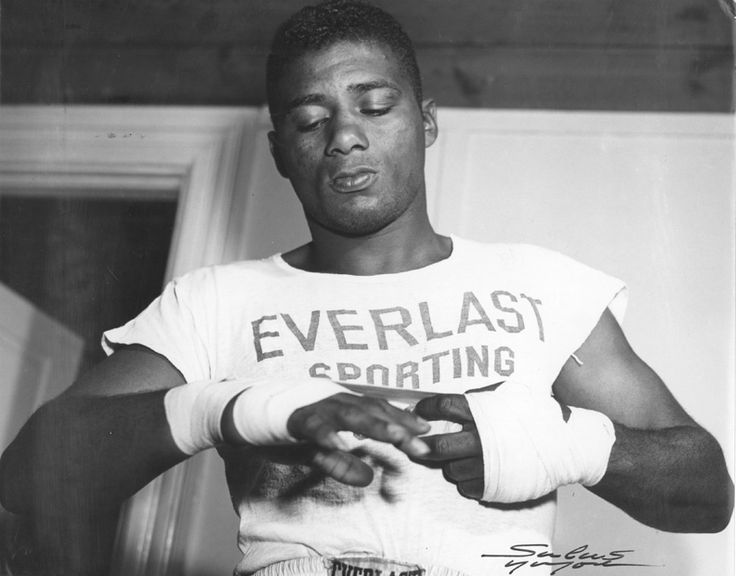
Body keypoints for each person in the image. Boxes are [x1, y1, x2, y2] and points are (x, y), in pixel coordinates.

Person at [0, 1, 733, 575]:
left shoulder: (542, 285)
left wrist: (558, 444)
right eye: (310, 120)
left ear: (425, 122)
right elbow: (34, 478)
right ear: (282, 153)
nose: (344, 136)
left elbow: (706, 491)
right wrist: (232, 407)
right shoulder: (216, 301)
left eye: (374, 107)